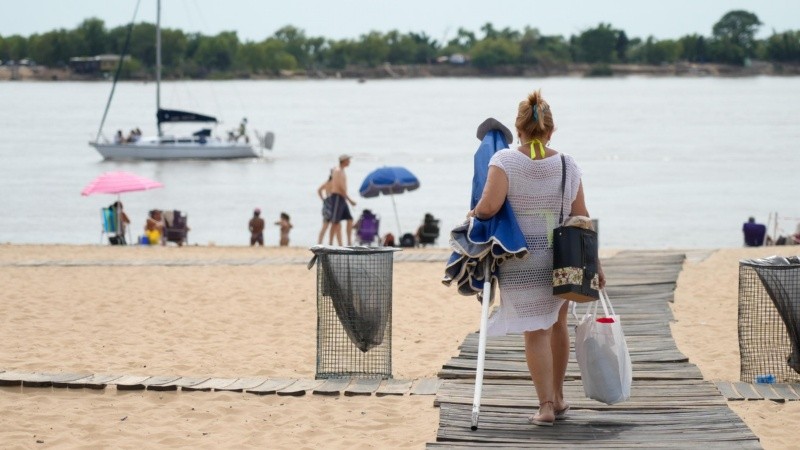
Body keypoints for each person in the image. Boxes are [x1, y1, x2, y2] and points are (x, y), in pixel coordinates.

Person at [467, 89, 605, 427]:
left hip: (521, 259)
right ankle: (558, 398)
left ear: (518, 130)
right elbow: (581, 216)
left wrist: (474, 213)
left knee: (535, 331)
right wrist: (596, 263)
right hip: (562, 258)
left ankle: (544, 405)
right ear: (550, 130)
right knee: (558, 324)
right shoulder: (567, 164)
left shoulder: (504, 161)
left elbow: (490, 207)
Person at [328, 154, 357, 246]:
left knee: (350, 219)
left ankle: (349, 242)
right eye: (348, 160)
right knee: (335, 222)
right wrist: (350, 200)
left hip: (342, 198)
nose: (349, 162)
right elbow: (340, 187)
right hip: (337, 197)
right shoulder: (337, 171)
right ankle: (330, 243)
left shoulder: (342, 171)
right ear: (344, 160)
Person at [317, 172, 334, 245]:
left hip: (326, 203)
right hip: (332, 204)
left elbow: (319, 190)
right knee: (334, 225)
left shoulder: (327, 182)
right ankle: (330, 243)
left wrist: (323, 199)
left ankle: (319, 243)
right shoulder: (334, 183)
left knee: (325, 226)